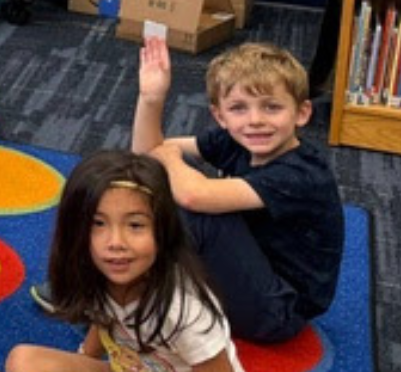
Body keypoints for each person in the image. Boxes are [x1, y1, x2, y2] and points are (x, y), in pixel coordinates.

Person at [119, 37, 342, 344]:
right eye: (239, 108)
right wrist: (151, 98)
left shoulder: (302, 174)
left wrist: (169, 158)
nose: (255, 120)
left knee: (198, 207)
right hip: (247, 272)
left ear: (301, 113)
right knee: (152, 178)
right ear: (220, 116)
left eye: (272, 107)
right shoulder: (236, 140)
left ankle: (128, 287)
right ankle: (126, 276)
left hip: (278, 311)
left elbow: (192, 195)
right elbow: (147, 154)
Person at [0, 150, 243, 372]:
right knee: (24, 361)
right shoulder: (97, 270)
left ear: (162, 230)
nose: (115, 242)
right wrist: (83, 359)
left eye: (135, 225)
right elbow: (104, 318)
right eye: (98, 224)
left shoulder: (184, 309)